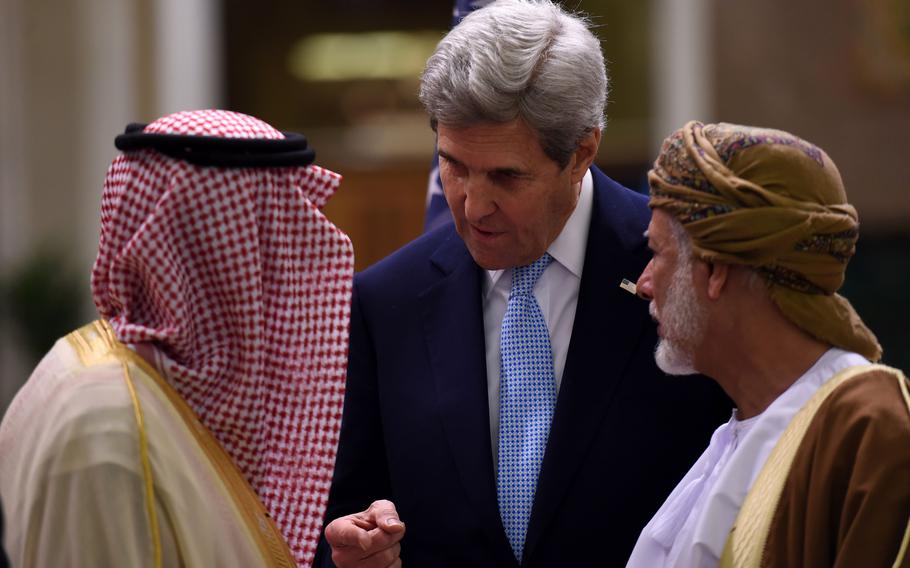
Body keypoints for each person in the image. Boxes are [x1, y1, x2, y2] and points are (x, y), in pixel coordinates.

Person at [315, 2, 731, 566]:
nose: (472, 204)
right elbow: (343, 517)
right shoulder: (386, 301)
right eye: (454, 167)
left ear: (583, 151)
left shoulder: (687, 268)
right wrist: (357, 548)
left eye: (506, 176)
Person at [0, 109, 355, 567]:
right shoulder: (108, 429)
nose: (294, 277)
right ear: (225, 261)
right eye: (275, 245)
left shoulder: (133, 382)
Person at [626, 120, 910, 568]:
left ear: (715, 270)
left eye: (658, 254)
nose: (644, 284)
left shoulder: (870, 428)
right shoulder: (738, 433)